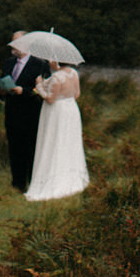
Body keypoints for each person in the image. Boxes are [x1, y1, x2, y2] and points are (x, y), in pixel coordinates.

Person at [24, 57, 89, 201]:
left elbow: (50, 99)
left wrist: (39, 85)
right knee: (69, 143)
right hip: (71, 109)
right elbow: (77, 94)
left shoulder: (57, 77)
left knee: (54, 141)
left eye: (51, 60)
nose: (49, 62)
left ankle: (52, 178)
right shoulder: (73, 73)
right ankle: (72, 177)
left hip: (57, 112)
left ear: (56, 62)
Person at [0, 31, 52, 192]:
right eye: (12, 43)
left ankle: (33, 183)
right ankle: (17, 183)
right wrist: (1, 91)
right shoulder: (8, 62)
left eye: (17, 42)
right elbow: (0, 84)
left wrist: (24, 91)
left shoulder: (40, 64)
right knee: (14, 148)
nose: (13, 46)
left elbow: (43, 89)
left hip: (31, 114)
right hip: (12, 112)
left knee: (31, 149)